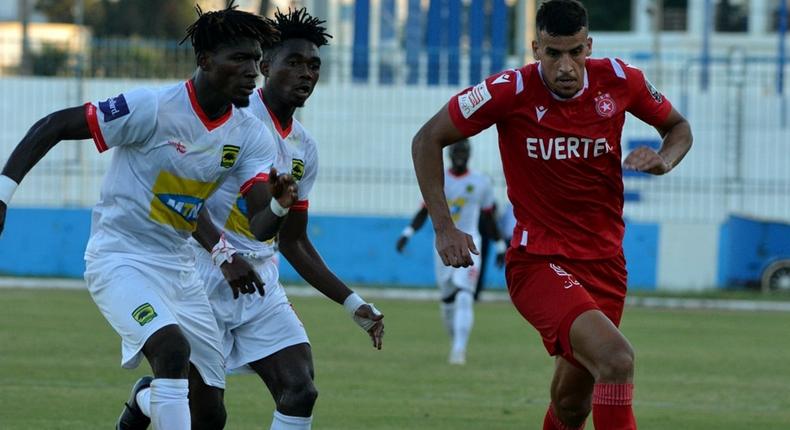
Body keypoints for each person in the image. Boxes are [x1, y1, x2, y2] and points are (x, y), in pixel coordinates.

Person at [0, 4, 296, 430]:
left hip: (180, 272)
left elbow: (259, 225)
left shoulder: (249, 134)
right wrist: (3, 196)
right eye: (240, 58)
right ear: (205, 60)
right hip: (119, 259)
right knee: (171, 349)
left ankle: (143, 401)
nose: (253, 70)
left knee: (208, 413)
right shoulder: (151, 108)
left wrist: (278, 207)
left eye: (255, 59)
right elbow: (53, 125)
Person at [411, 1, 692, 429]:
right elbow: (427, 139)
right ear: (535, 47)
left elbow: (679, 128)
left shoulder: (621, 81)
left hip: (606, 263)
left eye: (576, 52)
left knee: (571, 403)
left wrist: (664, 160)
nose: (566, 66)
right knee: (616, 359)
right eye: (553, 53)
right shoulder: (509, 91)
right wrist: (444, 227)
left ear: (589, 46)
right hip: (539, 261)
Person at [184, 8, 383, 430]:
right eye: (293, 62)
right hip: (200, 273)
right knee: (206, 415)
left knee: (300, 389)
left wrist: (352, 302)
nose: (306, 73)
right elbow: (183, 200)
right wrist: (222, 254)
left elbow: (293, 240)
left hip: (258, 279)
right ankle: (147, 398)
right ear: (266, 65)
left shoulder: (304, 149)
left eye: (313, 65)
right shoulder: (233, 119)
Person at [396, 139, 505, 365]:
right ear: (449, 155)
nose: (460, 156)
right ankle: (456, 340)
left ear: (469, 154)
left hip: (470, 244)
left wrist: (500, 245)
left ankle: (459, 350)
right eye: (457, 151)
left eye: (464, 152)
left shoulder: (481, 182)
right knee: (447, 299)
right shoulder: (439, 180)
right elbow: (424, 211)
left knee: (465, 294)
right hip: (444, 245)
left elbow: (488, 217)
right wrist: (407, 233)